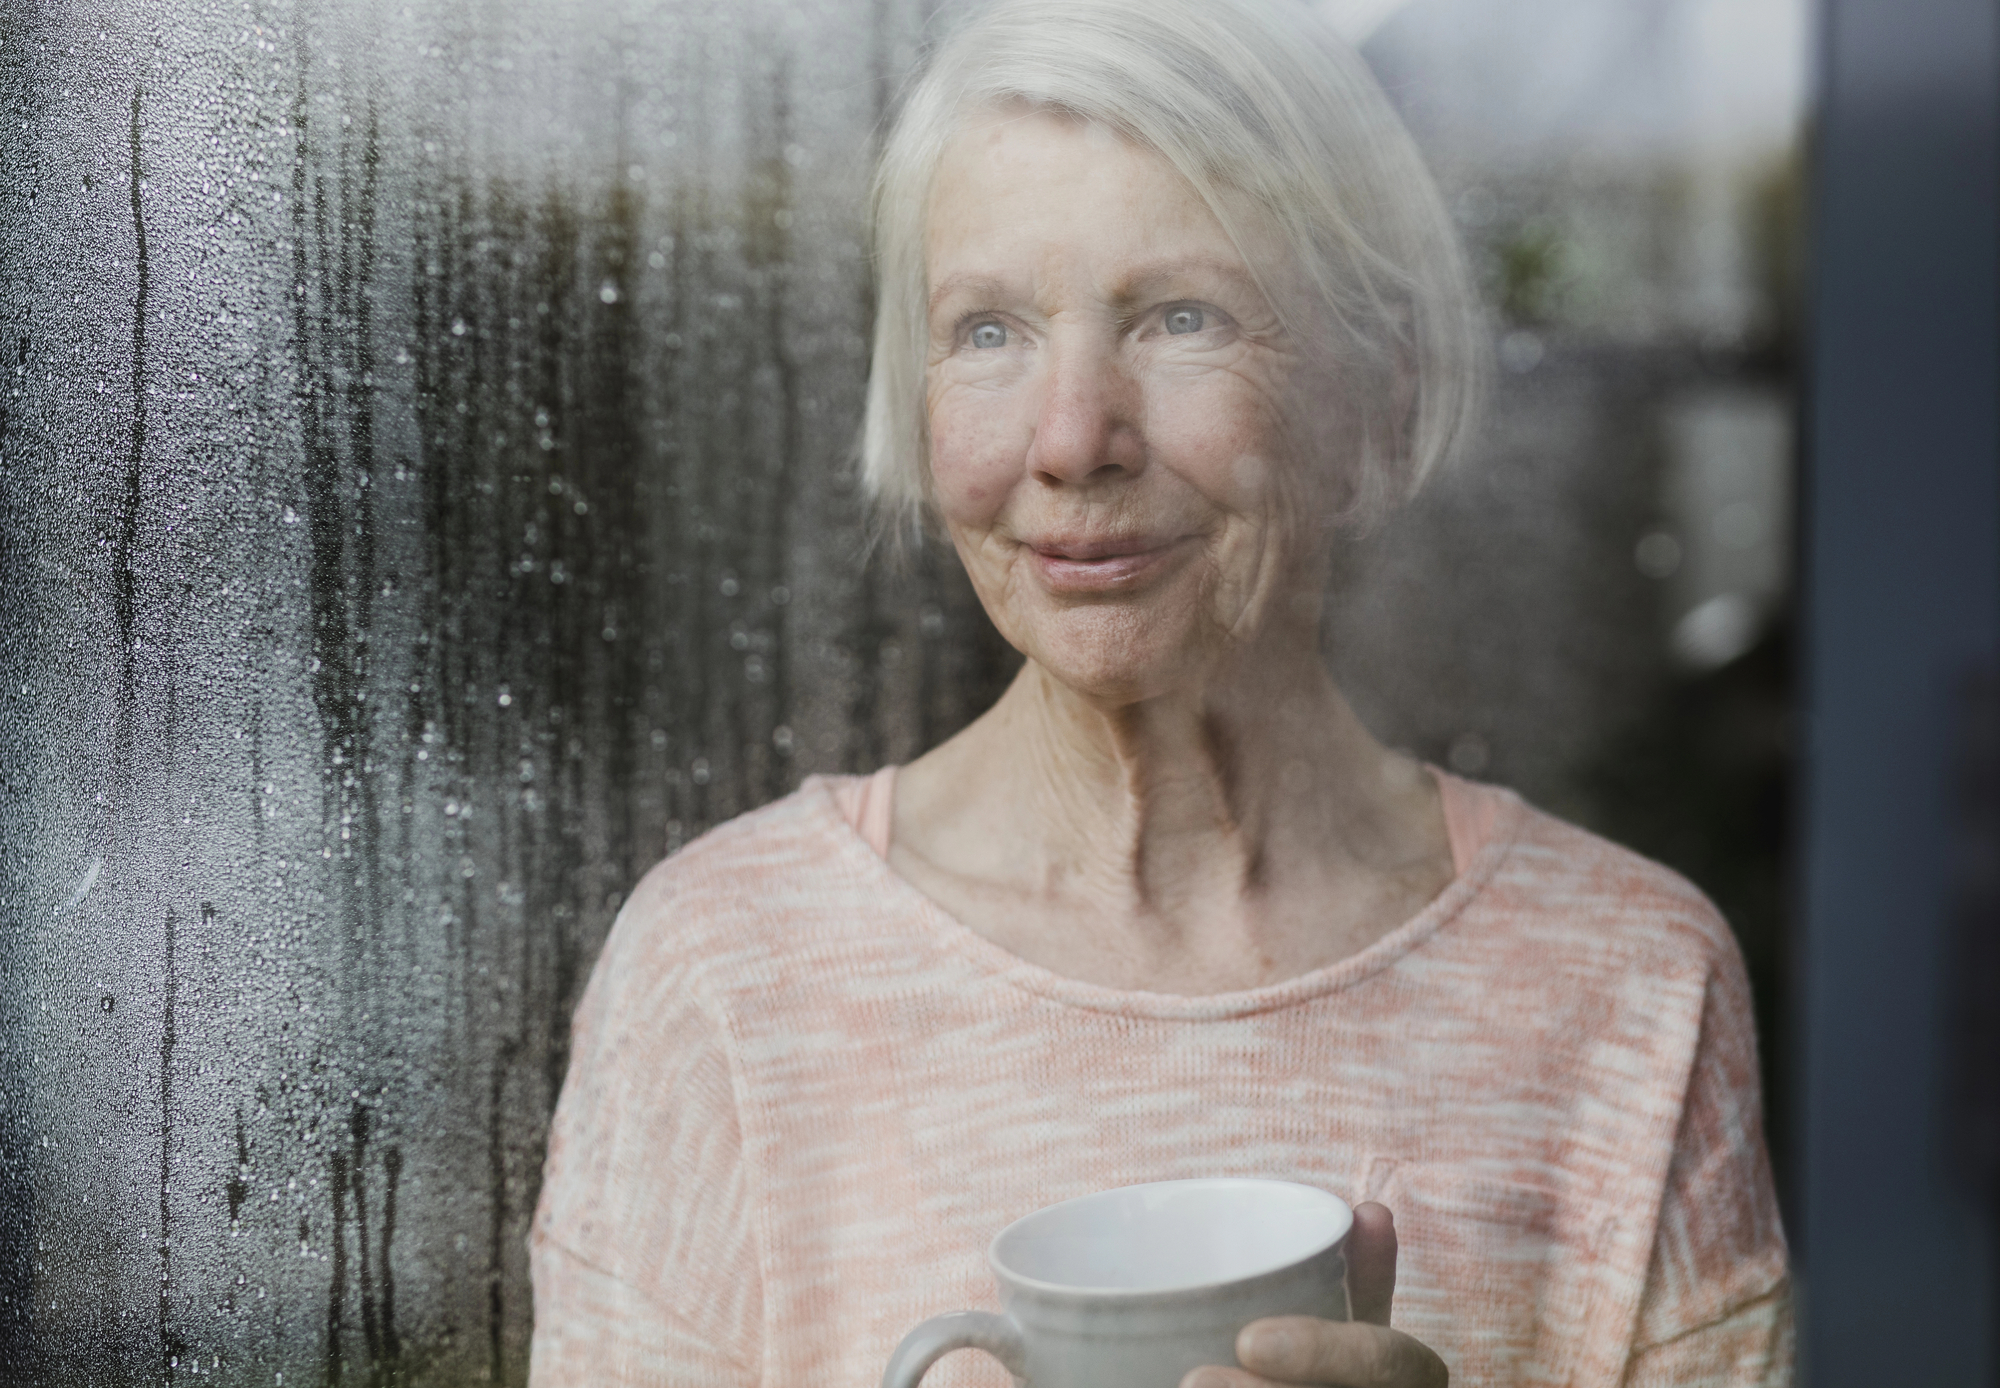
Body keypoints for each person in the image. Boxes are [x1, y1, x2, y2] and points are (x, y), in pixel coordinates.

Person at [527, 0, 1792, 1383]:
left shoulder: (1630, 987)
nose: (1072, 438)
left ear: (1377, 398)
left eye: (1182, 317)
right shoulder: (721, 975)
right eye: (991, 331)